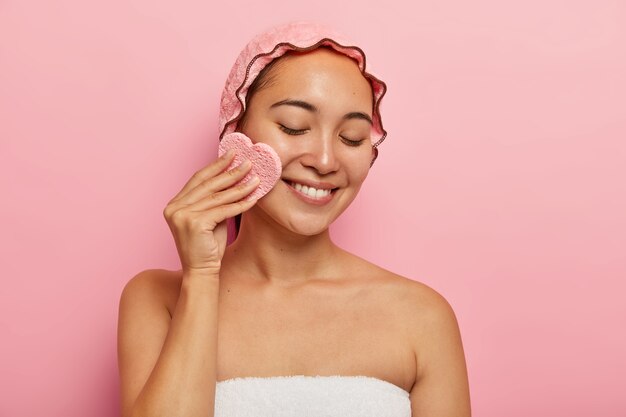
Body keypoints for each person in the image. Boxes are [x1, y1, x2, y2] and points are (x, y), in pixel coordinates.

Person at [117, 21, 471, 417]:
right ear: (235, 134)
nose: (324, 161)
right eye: (294, 127)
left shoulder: (422, 316)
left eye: (352, 137)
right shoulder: (158, 300)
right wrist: (201, 277)